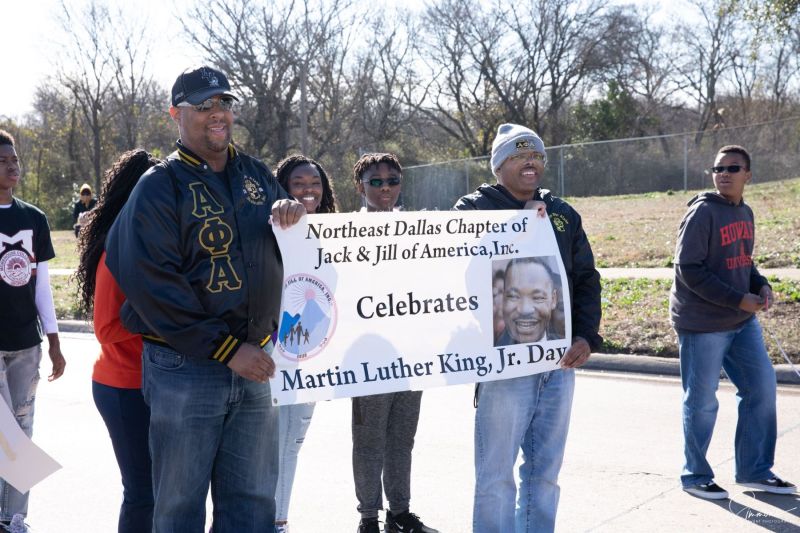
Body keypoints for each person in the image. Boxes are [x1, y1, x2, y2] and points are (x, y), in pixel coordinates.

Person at [104, 66, 306, 533]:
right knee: (178, 506)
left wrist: (293, 218)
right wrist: (227, 349)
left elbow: (296, 256)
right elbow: (153, 283)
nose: (218, 114)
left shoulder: (255, 175)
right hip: (187, 368)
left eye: (225, 104)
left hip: (258, 361)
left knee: (253, 503)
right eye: (204, 106)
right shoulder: (158, 185)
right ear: (176, 114)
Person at [453, 123, 602, 533]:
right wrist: (515, 226)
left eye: (536, 155)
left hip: (558, 362)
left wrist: (587, 336)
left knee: (545, 473)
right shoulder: (472, 210)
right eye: (518, 156)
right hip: (502, 364)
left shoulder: (563, 214)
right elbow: (455, 272)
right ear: (499, 166)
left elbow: (586, 280)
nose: (530, 162)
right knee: (495, 476)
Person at [670, 145, 796, 500]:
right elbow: (688, 269)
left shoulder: (745, 212)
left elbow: (743, 261)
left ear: (748, 175)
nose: (724, 173)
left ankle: (754, 470)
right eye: (718, 168)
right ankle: (695, 475)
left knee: (761, 389)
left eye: (733, 168)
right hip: (702, 322)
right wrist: (737, 298)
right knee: (702, 401)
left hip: (741, 321)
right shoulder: (702, 213)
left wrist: (760, 285)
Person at [350, 153, 438, 533]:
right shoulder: (344, 233)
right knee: (369, 441)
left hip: (411, 353)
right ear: (360, 186)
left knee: (402, 438)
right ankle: (369, 516)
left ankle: (399, 513)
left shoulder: (419, 230)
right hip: (368, 355)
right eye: (375, 181)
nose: (385, 188)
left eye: (392, 180)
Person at [75, 149, 160, 532]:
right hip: (123, 386)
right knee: (143, 492)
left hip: (160, 383)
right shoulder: (117, 246)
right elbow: (106, 329)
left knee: (166, 490)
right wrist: (166, 317)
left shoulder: (160, 237)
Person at [0, 129, 67, 532]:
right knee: (4, 430)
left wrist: (55, 343)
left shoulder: (34, 218)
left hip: (27, 344)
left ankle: (14, 517)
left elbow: (42, 288)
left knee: (21, 431)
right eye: (3, 160)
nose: (13, 165)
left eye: (15, 159)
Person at [272, 154, 337, 533]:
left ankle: (278, 519)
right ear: (284, 187)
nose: (309, 190)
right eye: (299, 183)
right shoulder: (272, 225)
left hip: (312, 352)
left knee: (291, 441)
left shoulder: (335, 230)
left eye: (315, 183)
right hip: (273, 349)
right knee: (263, 444)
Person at [496, 256, 563, 346]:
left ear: (553, 300)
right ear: (503, 299)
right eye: (513, 296)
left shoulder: (568, 350)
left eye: (538, 297)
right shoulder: (487, 354)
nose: (525, 309)